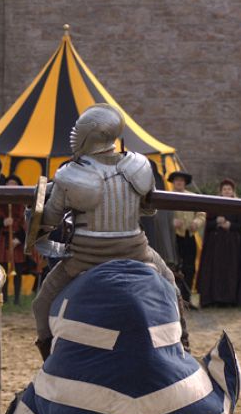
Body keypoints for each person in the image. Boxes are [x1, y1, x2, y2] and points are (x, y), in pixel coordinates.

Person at [30, 104, 184, 361]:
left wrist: (35, 210)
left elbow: (50, 220)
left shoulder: (69, 174)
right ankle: (184, 345)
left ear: (86, 135)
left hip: (85, 258)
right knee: (171, 285)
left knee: (41, 303)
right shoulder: (139, 165)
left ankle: (48, 358)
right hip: (135, 251)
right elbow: (149, 210)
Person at [0, 175, 35, 305]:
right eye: (9, 183)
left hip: (16, 241)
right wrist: (3, 222)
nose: (11, 186)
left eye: (14, 183)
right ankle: (3, 298)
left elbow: (26, 224)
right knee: (2, 270)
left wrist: (19, 239)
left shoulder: (22, 204)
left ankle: (17, 299)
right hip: (2, 240)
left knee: (18, 270)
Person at [197, 179, 241, 307]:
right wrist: (216, 221)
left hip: (231, 245)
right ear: (221, 191)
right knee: (214, 271)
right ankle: (213, 299)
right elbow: (207, 224)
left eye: (229, 189)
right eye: (224, 189)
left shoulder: (238, 205)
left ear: (233, 191)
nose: (227, 191)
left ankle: (228, 300)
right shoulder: (214, 205)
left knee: (230, 271)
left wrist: (230, 225)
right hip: (215, 245)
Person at [168, 170, 205, 306]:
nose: (179, 182)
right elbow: (160, 216)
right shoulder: (167, 196)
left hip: (189, 237)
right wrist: (171, 222)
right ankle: (173, 300)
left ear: (185, 183)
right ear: (173, 182)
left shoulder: (193, 197)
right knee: (173, 267)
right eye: (177, 180)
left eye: (181, 180)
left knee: (189, 268)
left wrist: (196, 223)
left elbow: (201, 214)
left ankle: (186, 299)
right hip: (173, 238)